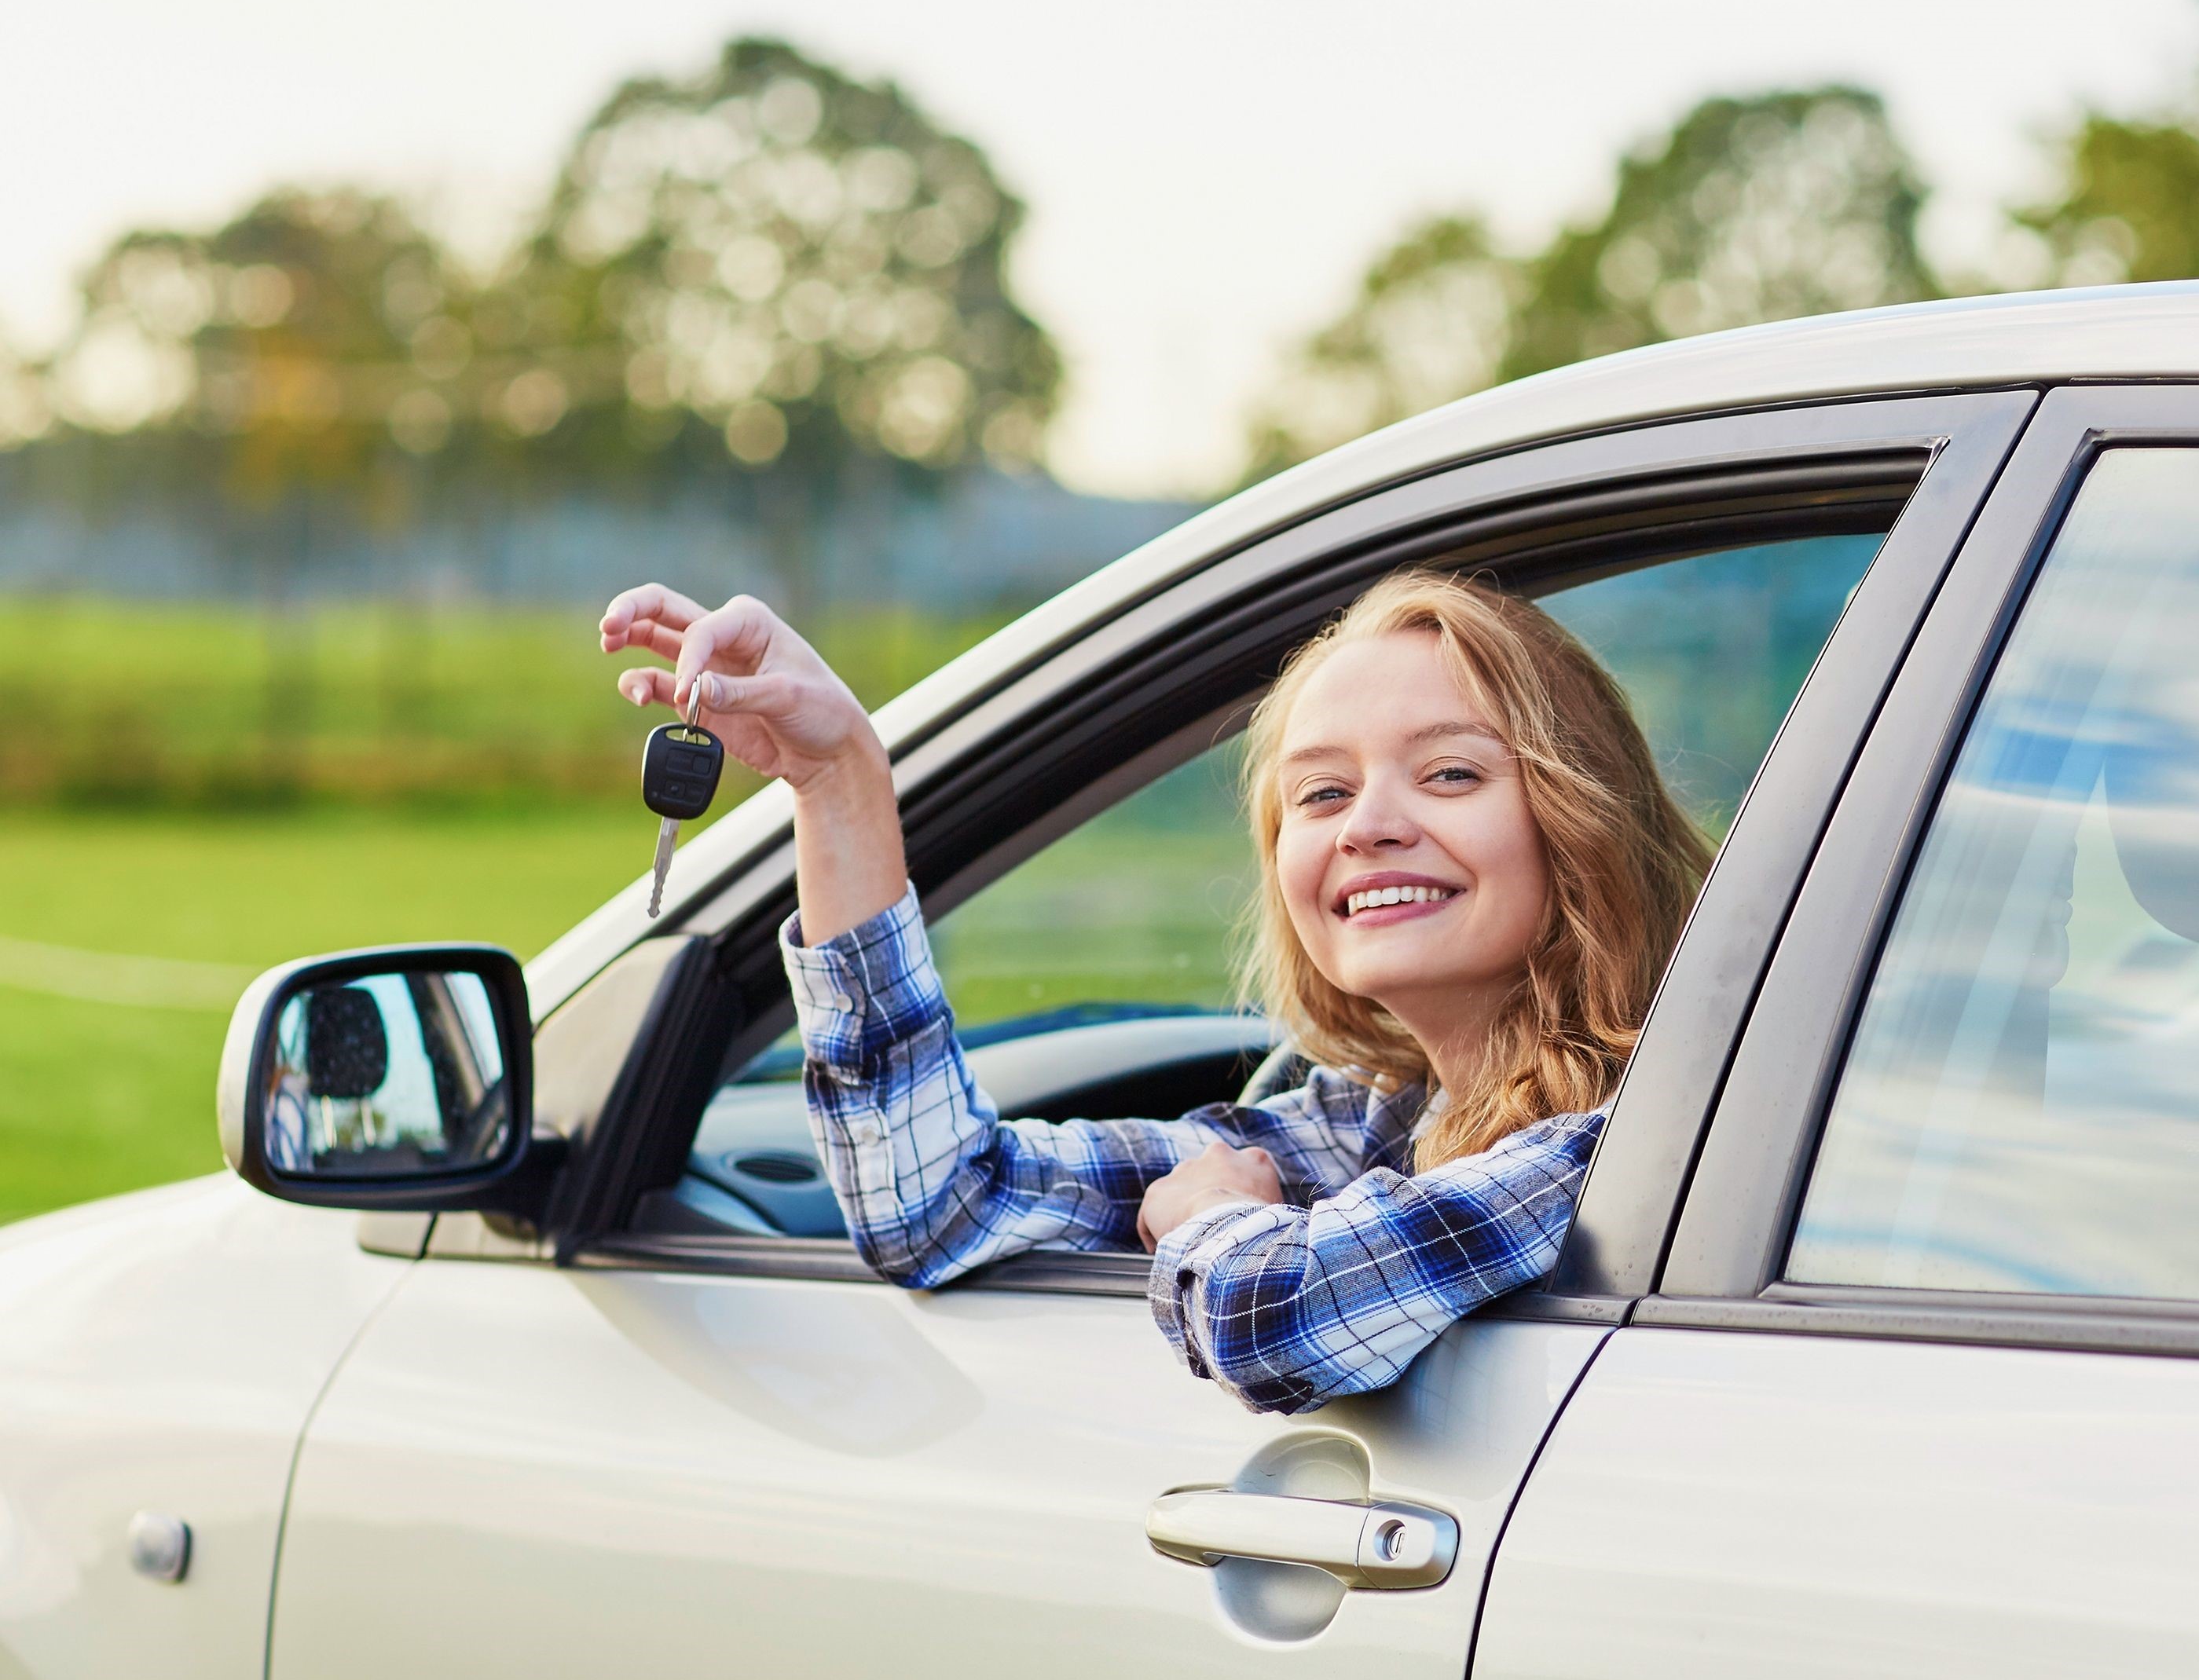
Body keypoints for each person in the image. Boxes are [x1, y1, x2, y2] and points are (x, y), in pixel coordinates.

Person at [600, 570, 1710, 1415]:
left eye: (1451, 773)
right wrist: (839, 780)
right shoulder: (1372, 1126)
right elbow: (934, 1205)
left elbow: (1282, 1313)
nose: (1368, 825)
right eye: (1320, 793)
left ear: (1582, 819)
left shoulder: (1624, 1138)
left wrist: (1215, 1216)